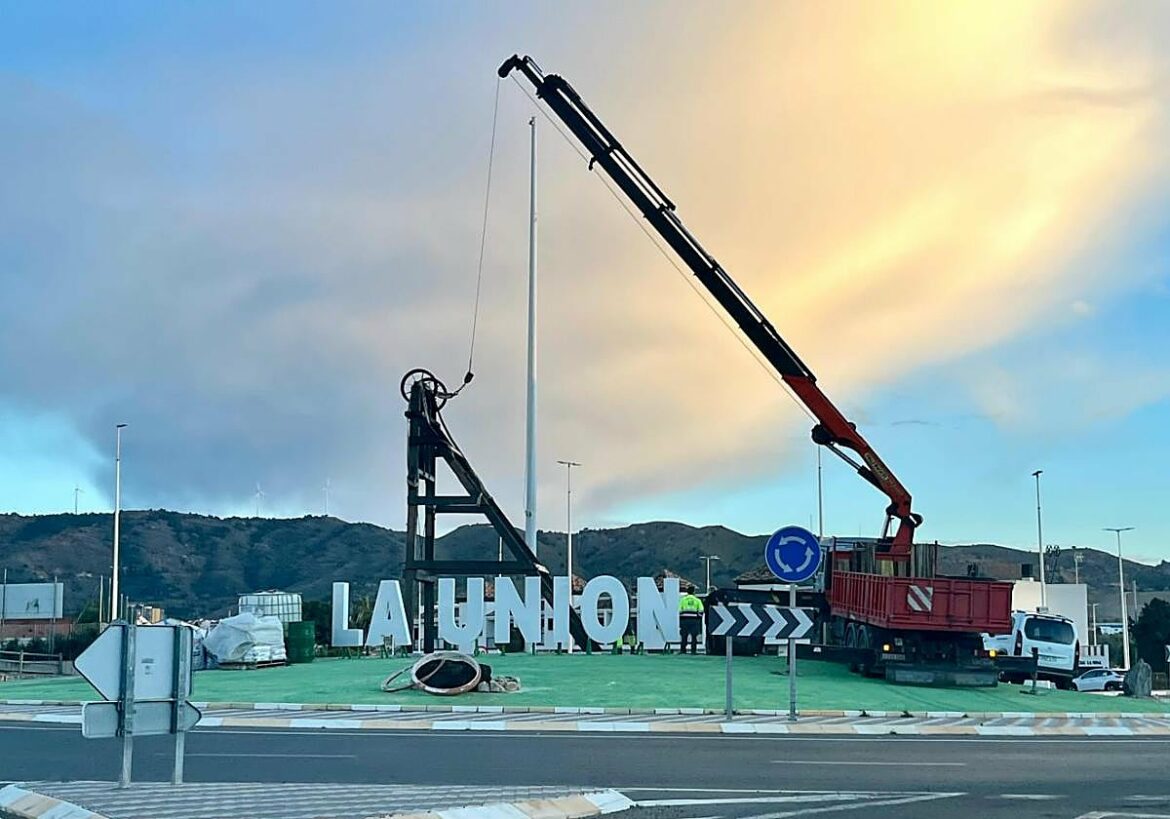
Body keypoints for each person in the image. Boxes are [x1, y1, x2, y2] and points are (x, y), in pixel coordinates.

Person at [678, 584, 705, 655]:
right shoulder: (697, 600)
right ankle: (693, 651)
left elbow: (680, 611)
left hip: (684, 620)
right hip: (694, 621)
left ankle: (683, 650)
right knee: (694, 636)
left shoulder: (683, 600)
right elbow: (701, 610)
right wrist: (698, 617)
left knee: (684, 636)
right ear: (694, 592)